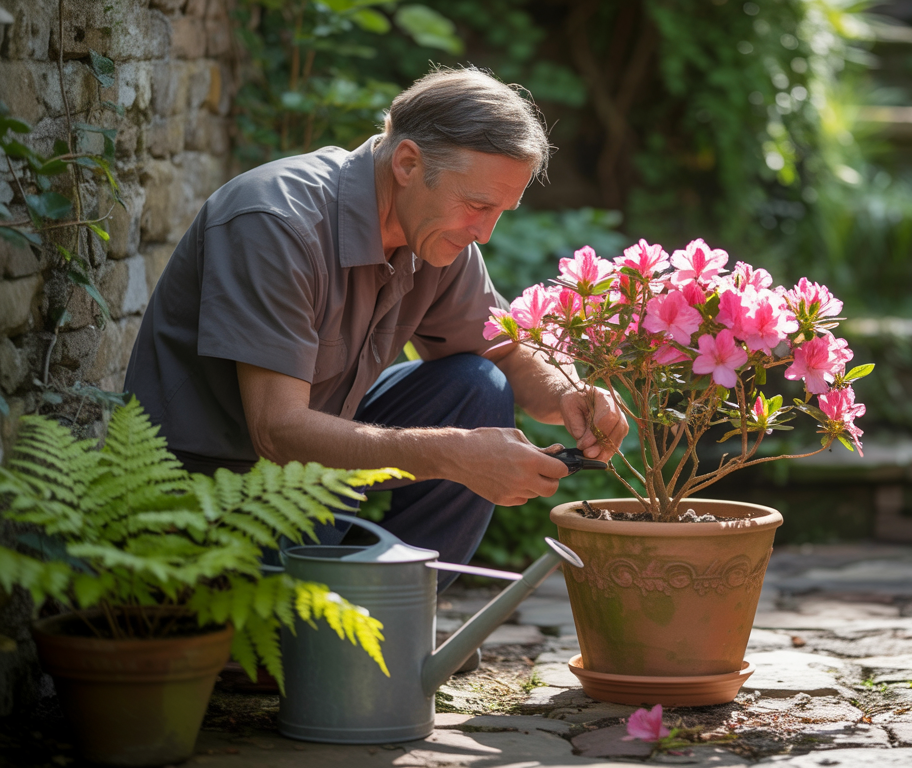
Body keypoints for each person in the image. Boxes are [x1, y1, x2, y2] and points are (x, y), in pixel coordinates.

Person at [124, 67, 628, 586]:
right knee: (286, 661)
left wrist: (569, 391)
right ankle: (334, 638)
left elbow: (503, 351)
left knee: (477, 385)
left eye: (501, 212)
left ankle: (396, 621)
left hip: (313, 483)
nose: (485, 233)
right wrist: (454, 454)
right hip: (206, 502)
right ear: (409, 162)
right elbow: (277, 430)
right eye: (478, 206)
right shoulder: (276, 222)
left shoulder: (435, 233)